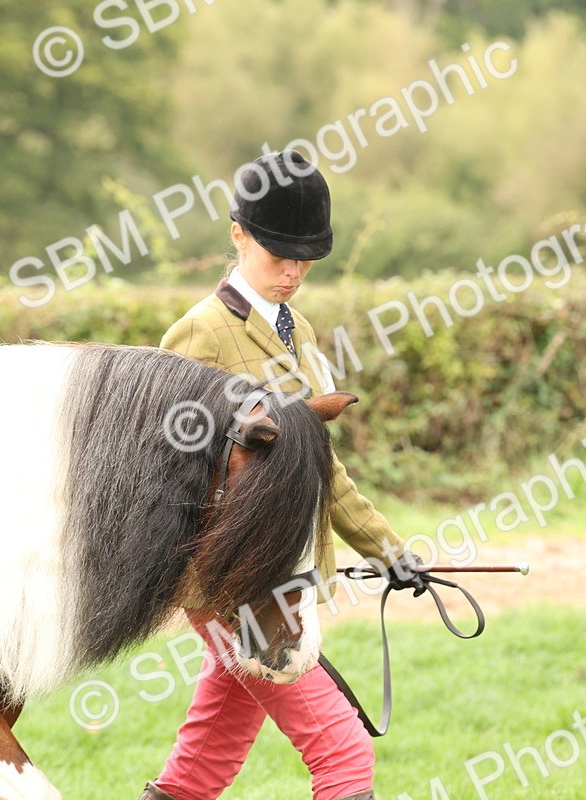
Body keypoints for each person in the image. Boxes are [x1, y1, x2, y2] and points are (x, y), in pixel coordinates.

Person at [143, 150, 423, 800]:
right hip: (232, 583)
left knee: (211, 751)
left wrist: (389, 551)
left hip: (274, 576)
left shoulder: (300, 331)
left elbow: (318, 466)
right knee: (345, 756)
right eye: (278, 255)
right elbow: (166, 473)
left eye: (306, 259)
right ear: (238, 235)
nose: (293, 272)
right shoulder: (202, 335)